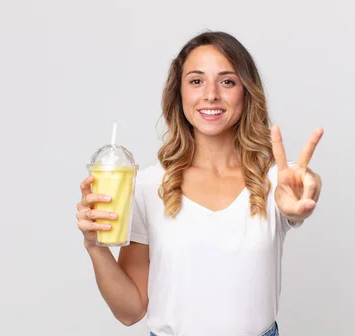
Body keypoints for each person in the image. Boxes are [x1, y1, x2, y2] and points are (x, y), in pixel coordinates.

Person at [75, 31, 323, 336]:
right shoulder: (148, 186)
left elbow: (304, 189)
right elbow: (130, 311)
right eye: (196, 81)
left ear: (246, 91)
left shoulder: (275, 181)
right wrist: (94, 247)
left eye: (227, 81)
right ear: (179, 94)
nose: (211, 94)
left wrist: (303, 196)